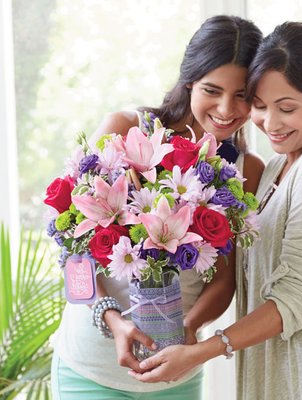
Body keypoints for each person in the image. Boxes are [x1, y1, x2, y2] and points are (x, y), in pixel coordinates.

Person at [128, 21, 302, 400]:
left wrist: (202, 350)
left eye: (287, 108)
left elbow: (295, 297)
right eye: (260, 106)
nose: (271, 123)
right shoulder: (282, 163)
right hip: (297, 375)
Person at [51, 15, 264, 399]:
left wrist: (188, 330)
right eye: (211, 90)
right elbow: (69, 248)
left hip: (175, 376)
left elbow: (223, 279)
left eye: (243, 95)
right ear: (189, 82)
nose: (226, 108)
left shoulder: (246, 168)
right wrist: (112, 320)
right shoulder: (124, 129)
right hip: (90, 370)